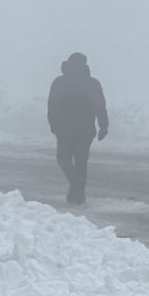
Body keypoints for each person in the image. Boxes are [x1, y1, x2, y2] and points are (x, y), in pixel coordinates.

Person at [47, 52, 108, 205]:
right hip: (65, 130)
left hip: (84, 130)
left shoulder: (92, 83)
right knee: (63, 159)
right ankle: (77, 185)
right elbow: (52, 105)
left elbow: (100, 105)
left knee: (81, 163)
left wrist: (103, 125)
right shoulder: (60, 82)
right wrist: (53, 124)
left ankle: (78, 196)